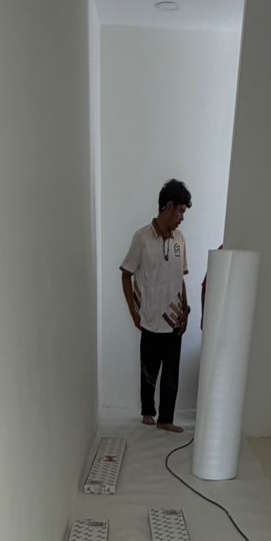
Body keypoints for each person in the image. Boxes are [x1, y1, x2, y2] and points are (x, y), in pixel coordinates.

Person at [120, 179, 192, 433]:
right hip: (150, 319)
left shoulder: (180, 240)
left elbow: (180, 278)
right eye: (181, 211)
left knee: (171, 373)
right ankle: (148, 412)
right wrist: (133, 312)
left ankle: (166, 418)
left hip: (174, 321)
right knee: (149, 371)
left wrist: (186, 309)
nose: (182, 217)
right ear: (169, 206)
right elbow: (126, 274)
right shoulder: (142, 238)